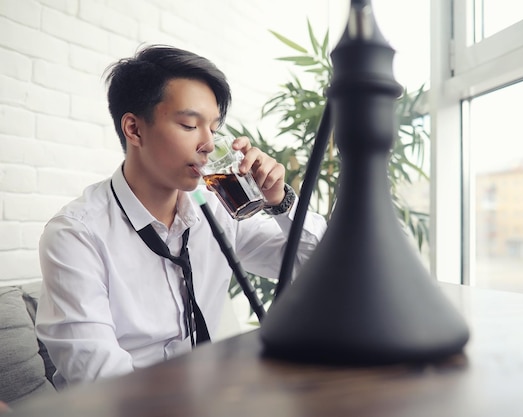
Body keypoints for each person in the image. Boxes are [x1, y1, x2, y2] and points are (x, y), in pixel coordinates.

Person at [35, 44, 326, 389]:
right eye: (190, 125)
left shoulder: (217, 211)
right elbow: (101, 380)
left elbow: (322, 267)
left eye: (214, 129)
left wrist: (280, 201)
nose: (208, 144)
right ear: (134, 129)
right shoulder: (75, 235)